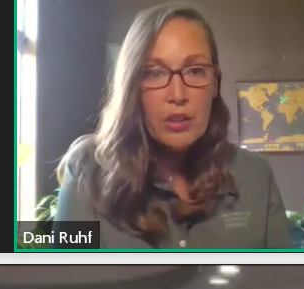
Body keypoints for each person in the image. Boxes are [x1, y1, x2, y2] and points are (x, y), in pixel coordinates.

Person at [55, 4, 291, 249]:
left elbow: (283, 285)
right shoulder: (87, 174)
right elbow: (68, 285)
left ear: (215, 84)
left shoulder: (256, 177)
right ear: (131, 85)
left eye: (196, 71)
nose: (178, 95)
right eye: (155, 73)